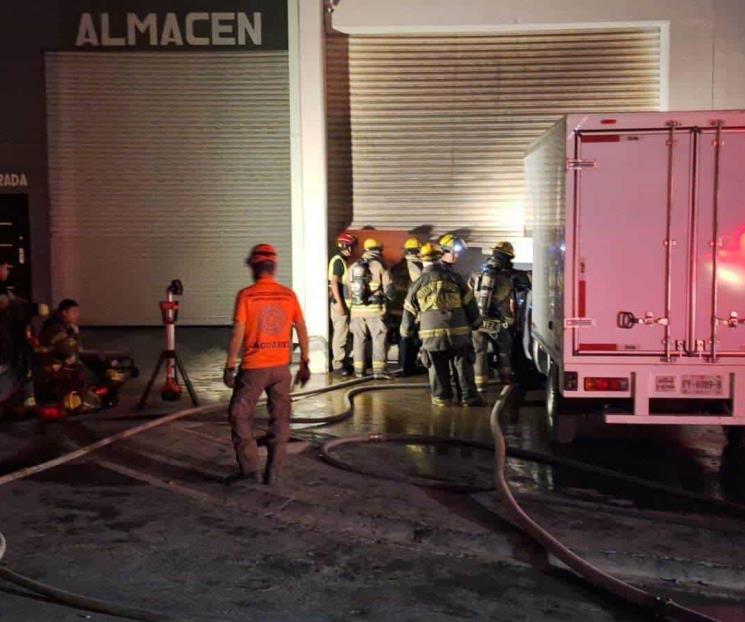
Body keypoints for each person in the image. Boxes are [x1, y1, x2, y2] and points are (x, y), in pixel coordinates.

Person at [223, 244, 310, 486]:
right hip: (282, 368)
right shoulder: (288, 295)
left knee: (239, 415)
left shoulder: (247, 295)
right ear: (273, 267)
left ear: (254, 267)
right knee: (280, 419)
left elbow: (238, 331)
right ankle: (274, 471)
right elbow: (301, 327)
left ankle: (250, 470)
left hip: (254, 368)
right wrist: (304, 361)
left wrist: (230, 364)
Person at [400, 243, 484, 407]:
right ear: (439, 258)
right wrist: (476, 323)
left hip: (432, 337)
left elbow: (408, 314)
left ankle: (442, 399)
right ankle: (468, 398)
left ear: (422, 260)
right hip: (459, 335)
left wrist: (406, 333)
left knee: (437, 368)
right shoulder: (456, 279)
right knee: (463, 366)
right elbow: (470, 304)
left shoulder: (416, 285)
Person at [35, 299, 125, 412]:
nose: (77, 315)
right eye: (74, 311)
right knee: (81, 371)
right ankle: (82, 401)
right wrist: (75, 336)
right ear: (64, 312)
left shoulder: (66, 327)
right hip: (52, 366)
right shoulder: (55, 327)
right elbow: (68, 350)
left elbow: (77, 350)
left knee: (96, 362)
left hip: (61, 362)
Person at [471, 241, 532, 386]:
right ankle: (506, 381)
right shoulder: (510, 276)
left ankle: (480, 386)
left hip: (478, 320)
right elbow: (526, 284)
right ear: (508, 257)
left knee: (480, 352)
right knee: (503, 351)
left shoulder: (478, 274)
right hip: (500, 321)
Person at [344, 238, 394, 377]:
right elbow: (390, 292)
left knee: (358, 340)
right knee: (379, 338)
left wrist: (352, 308)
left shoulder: (352, 267)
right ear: (379, 250)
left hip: (356, 311)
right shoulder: (380, 265)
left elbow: (346, 290)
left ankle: (359, 370)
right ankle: (379, 371)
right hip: (375, 310)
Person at [389, 238, 423, 376]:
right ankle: (408, 367)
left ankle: (404, 365)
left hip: (395, 308)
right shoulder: (417, 266)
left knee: (401, 336)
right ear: (418, 251)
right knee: (410, 338)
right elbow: (420, 288)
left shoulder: (397, 267)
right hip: (409, 309)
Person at [328, 232, 356, 376]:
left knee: (345, 333)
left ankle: (344, 360)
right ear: (342, 246)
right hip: (340, 304)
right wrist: (339, 304)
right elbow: (334, 283)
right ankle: (338, 364)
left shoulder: (343, 261)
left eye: (352, 247)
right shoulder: (338, 261)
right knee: (340, 333)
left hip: (344, 304)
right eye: (348, 247)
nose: (350, 250)